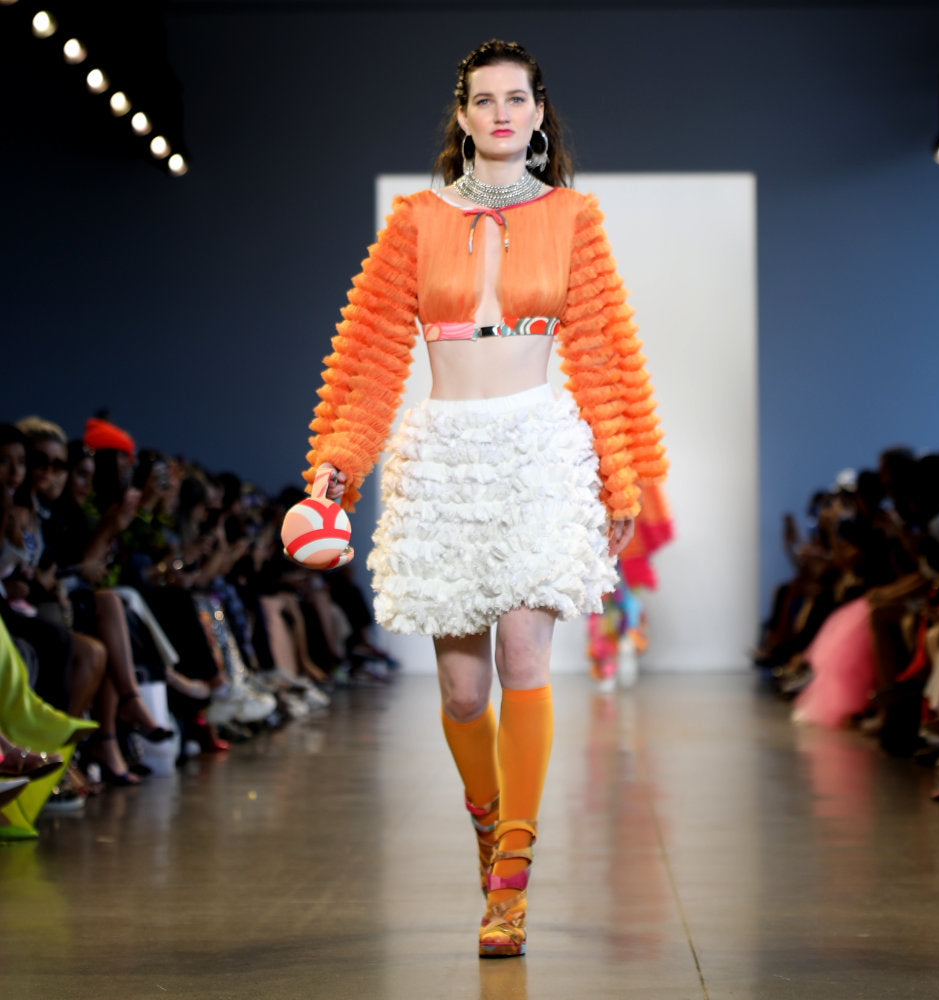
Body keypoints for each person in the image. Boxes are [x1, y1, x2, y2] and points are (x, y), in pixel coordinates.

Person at [301, 39, 667, 957]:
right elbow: (369, 353)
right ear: (462, 116)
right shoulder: (415, 221)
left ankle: (511, 875)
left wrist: (619, 473)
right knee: (464, 693)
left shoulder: (574, 218)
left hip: (538, 449)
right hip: (444, 458)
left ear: (538, 113)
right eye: (484, 100)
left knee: (523, 656)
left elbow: (605, 354)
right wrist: (339, 460)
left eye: (516, 99)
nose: (501, 113)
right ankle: (488, 823)